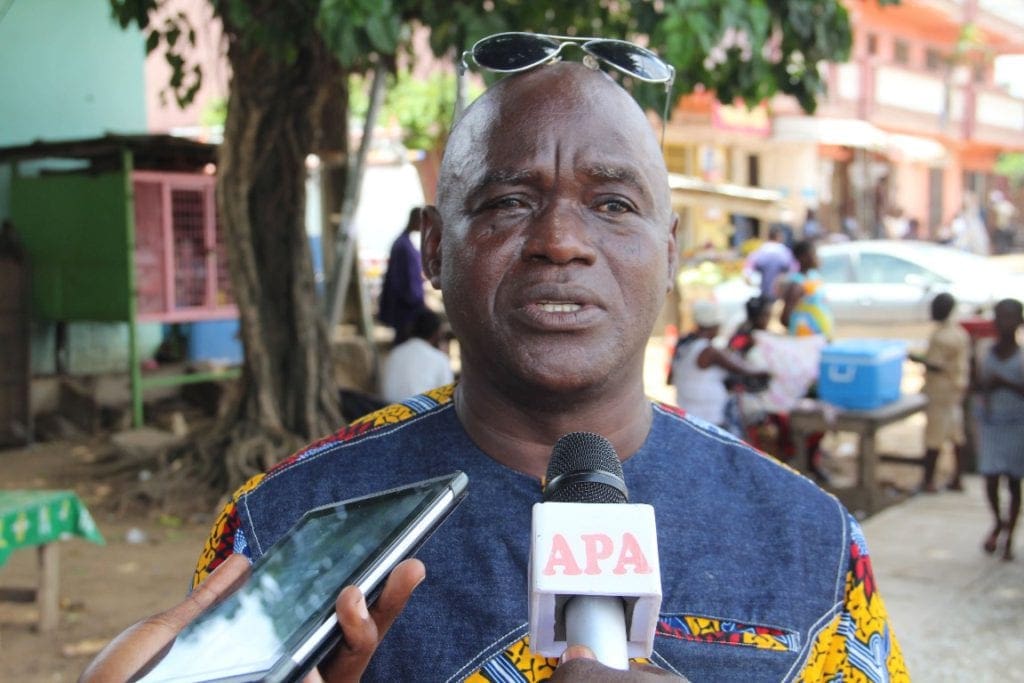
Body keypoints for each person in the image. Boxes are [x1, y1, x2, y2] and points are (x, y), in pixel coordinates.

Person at [82, 52, 907, 682]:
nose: (561, 240)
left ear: (669, 252)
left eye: (613, 204)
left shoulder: (810, 539)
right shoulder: (283, 527)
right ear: (435, 249)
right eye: (510, 201)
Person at [972, 298, 1024, 562]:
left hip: (1016, 426)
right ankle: (998, 521)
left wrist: (1004, 383)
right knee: (991, 478)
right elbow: (976, 386)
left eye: (1010, 317)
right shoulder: (985, 352)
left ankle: (1009, 536)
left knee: (1014, 483)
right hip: (992, 425)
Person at [668, 300, 769, 434]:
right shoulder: (710, 351)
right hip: (707, 416)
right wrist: (772, 370)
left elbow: (670, 379)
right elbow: (743, 369)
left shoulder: (684, 344)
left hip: (687, 409)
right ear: (714, 326)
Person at [910, 293, 970, 493]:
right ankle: (957, 479)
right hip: (955, 390)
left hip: (940, 391)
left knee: (933, 437)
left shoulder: (941, 336)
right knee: (955, 434)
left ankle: (928, 482)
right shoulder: (959, 332)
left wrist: (915, 358)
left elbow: (935, 364)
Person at [379, 307, 454, 403]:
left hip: (390, 410)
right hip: (422, 411)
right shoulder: (439, 359)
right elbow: (447, 399)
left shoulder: (395, 353)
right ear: (437, 334)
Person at [378, 207, 426, 344]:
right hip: (406, 309)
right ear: (416, 220)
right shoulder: (402, 246)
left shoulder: (405, 243)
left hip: (407, 306)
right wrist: (416, 301)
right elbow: (401, 281)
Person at [780, 239, 834, 339]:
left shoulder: (814, 277)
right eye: (814, 254)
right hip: (806, 340)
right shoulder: (798, 284)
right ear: (803, 258)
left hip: (819, 338)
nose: (817, 258)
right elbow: (784, 318)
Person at [741, 225, 795, 301]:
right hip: (780, 294)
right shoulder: (784, 252)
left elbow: (748, 270)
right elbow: (794, 269)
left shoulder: (761, 250)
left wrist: (751, 282)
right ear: (779, 237)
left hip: (764, 293)